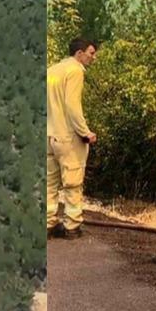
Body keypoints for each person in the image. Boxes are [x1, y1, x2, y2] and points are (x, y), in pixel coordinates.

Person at [46, 37, 98, 239]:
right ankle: (72, 225)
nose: (93, 57)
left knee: (50, 183)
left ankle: (48, 222)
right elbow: (72, 106)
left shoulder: (52, 71)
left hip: (50, 134)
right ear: (79, 53)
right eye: (91, 53)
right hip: (67, 136)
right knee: (73, 181)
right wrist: (85, 132)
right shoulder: (75, 71)